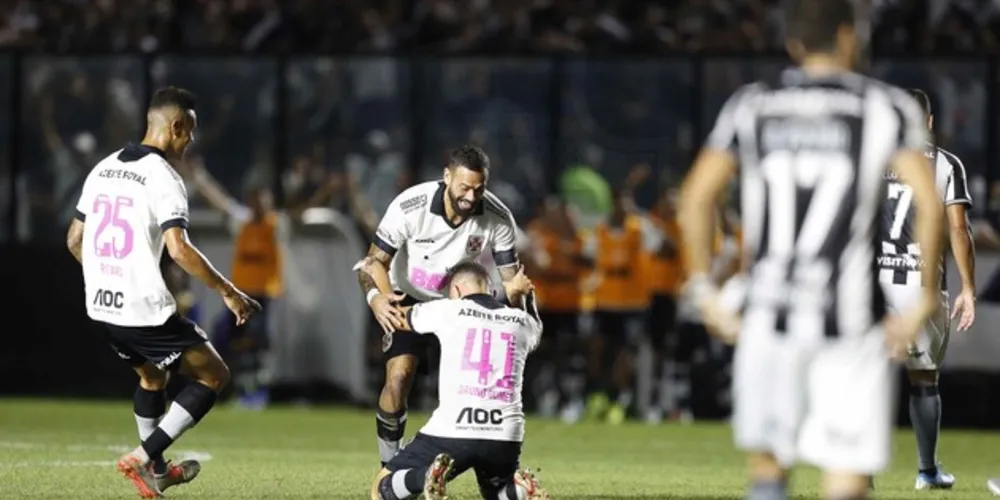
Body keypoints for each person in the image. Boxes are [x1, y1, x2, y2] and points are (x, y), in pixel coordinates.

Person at [677, 0, 945, 498]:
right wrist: (926, 296)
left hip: (768, 313)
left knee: (768, 469)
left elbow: (696, 197)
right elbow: (928, 205)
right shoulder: (885, 107)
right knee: (845, 475)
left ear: (793, 44)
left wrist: (703, 288)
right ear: (850, 36)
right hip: (852, 321)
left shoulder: (752, 105)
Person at [65, 86, 261, 499]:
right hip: (142, 310)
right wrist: (228, 291)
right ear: (174, 126)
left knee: (152, 377)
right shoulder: (165, 177)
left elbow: (74, 239)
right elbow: (179, 249)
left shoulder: (103, 167)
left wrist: (106, 276)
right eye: (189, 130)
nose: (191, 139)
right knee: (214, 375)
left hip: (102, 308)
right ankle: (143, 454)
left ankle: (156, 473)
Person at [354, 145, 527, 467]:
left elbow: (511, 281)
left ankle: (490, 459)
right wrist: (376, 299)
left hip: (460, 304)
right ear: (447, 177)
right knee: (399, 378)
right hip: (406, 297)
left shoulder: (498, 216)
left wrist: (520, 310)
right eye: (464, 187)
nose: (471, 197)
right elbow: (371, 263)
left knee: (469, 387)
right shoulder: (410, 206)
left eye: (479, 189)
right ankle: (389, 466)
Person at [366, 261, 548, 500]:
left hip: (453, 430)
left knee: (381, 488)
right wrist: (521, 296)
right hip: (504, 434)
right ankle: (520, 491)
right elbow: (536, 329)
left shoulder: (448, 310)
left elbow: (394, 316)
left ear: (457, 291)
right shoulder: (521, 322)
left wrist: (375, 292)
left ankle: (426, 476)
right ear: (492, 292)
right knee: (497, 493)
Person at [873, 87, 975, 490]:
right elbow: (958, 229)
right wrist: (968, 286)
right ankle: (926, 471)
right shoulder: (946, 164)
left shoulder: (874, 159)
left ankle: (858, 474)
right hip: (923, 286)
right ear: (930, 122)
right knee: (924, 379)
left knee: (867, 377)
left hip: (876, 284)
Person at [216, 185, 283, 409]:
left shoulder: (276, 225)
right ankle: (236, 390)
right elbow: (220, 202)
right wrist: (197, 177)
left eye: (262, 200)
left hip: (263, 296)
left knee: (259, 346)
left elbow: (300, 211)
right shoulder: (242, 222)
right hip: (239, 295)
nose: (257, 206)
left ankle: (258, 394)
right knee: (233, 343)